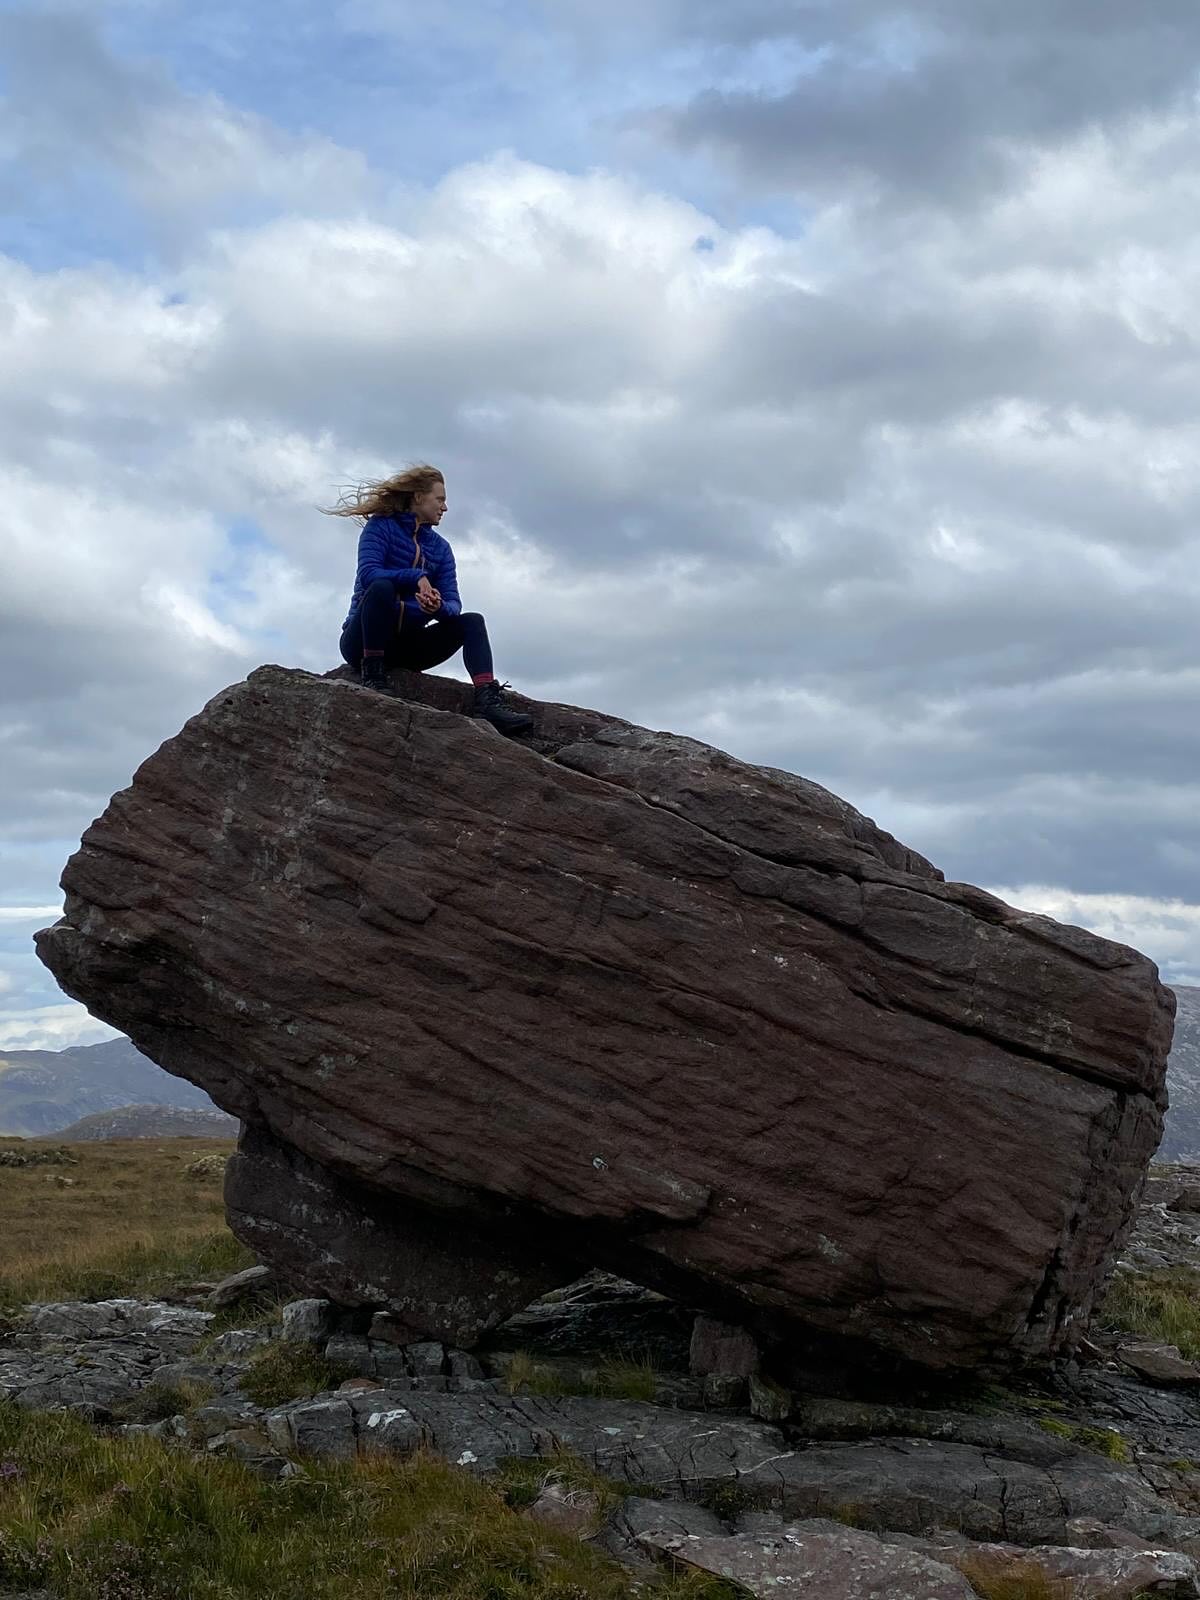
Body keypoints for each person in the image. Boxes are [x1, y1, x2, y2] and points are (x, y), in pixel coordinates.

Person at [327, 464, 534, 737]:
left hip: (408, 647)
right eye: (440, 499)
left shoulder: (440, 548)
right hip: (362, 642)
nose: (445, 507)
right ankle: (374, 675)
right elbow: (368, 574)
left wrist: (438, 608)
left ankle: (487, 700)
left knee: (472, 621)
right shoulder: (380, 527)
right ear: (418, 497)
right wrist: (415, 577)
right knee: (381, 587)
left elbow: (453, 603)